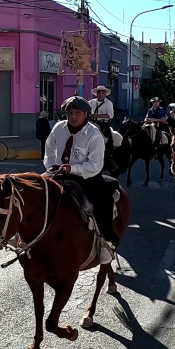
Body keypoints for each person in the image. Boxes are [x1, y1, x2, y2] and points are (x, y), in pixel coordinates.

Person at [44, 96, 117, 262]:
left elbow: (95, 165)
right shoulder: (58, 128)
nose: (73, 117)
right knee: (35, 189)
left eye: (77, 113)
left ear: (85, 114)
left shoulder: (94, 135)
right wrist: (51, 166)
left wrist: (73, 168)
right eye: (70, 113)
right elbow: (49, 148)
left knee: (102, 201)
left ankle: (106, 240)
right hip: (58, 171)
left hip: (86, 175)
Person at [88, 85, 116, 171]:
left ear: (105, 94)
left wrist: (97, 115)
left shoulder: (108, 103)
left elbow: (110, 115)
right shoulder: (91, 102)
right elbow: (85, 110)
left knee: (109, 139)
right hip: (91, 123)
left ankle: (109, 158)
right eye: (99, 92)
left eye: (102, 93)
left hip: (104, 125)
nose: (100, 94)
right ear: (96, 94)